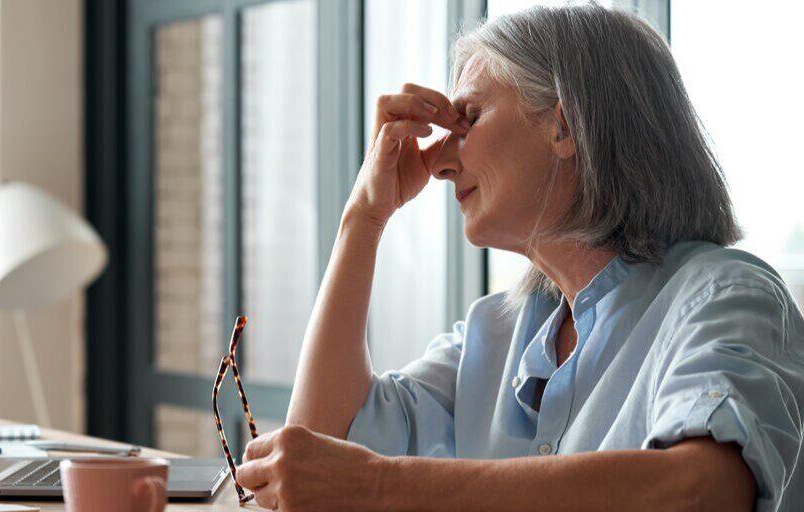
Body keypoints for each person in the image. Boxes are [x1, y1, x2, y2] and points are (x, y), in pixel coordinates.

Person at [234, 4, 804, 511]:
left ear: (564, 124)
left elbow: (703, 492)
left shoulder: (725, 297)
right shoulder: (497, 333)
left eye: (470, 118)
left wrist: (382, 486)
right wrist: (364, 216)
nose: (440, 163)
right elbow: (319, 465)